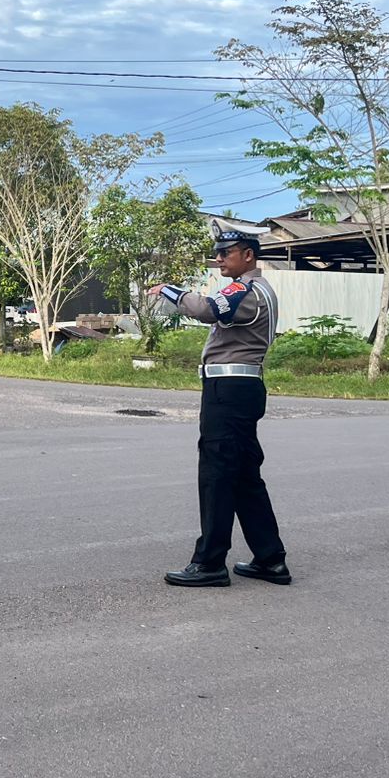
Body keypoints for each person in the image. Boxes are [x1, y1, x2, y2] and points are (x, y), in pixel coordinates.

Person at [150, 230, 290, 587]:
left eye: (227, 253)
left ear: (248, 255)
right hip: (242, 388)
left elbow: (207, 310)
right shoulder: (260, 290)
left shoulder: (246, 289)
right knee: (243, 476)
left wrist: (171, 290)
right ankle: (270, 559)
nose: (220, 258)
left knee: (216, 474)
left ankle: (210, 562)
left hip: (227, 391)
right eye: (218, 253)